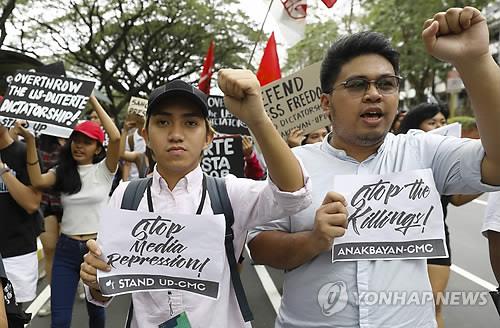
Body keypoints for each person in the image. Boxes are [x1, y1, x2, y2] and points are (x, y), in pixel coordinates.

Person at [247, 7, 500, 328]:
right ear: (326, 103)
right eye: (356, 85)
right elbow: (258, 245)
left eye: (386, 84)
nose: (373, 94)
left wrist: (475, 60)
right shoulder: (294, 164)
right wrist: (312, 241)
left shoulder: (424, 150)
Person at [79, 75, 312, 328]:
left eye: (190, 123)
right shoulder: (126, 196)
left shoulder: (230, 194)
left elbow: (294, 195)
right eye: (163, 122)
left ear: (208, 138)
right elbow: (105, 289)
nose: (176, 134)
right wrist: (94, 279)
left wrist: (257, 119)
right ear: (146, 135)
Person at [15, 95, 120, 328]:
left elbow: (115, 137)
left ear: (97, 148)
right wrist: (30, 140)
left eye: (87, 141)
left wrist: (90, 96)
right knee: (60, 320)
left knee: (97, 314)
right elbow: (37, 180)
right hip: (66, 249)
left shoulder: (105, 170)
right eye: (76, 140)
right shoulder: (62, 171)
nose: (79, 145)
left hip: (97, 251)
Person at [398, 102, 481, 328]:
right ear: (415, 127)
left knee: (433, 305)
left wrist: (484, 183)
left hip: (436, 240)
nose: (439, 126)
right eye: (432, 122)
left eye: (443, 122)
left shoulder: (445, 162)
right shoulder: (395, 157)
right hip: (399, 240)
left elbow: (457, 198)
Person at [0, 122, 42, 308]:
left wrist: (3, 170)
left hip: (16, 253)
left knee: (13, 317)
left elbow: (32, 203)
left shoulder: (25, 152)